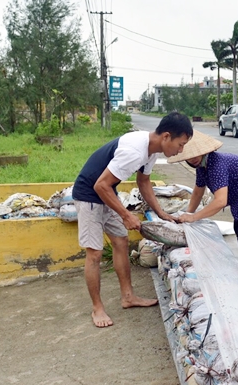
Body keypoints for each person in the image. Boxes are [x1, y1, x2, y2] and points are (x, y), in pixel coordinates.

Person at [73, 112, 193, 327]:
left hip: (107, 193)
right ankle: (97, 309)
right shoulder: (135, 151)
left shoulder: (151, 149)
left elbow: (144, 181)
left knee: (121, 242)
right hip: (89, 194)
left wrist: (162, 213)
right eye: (181, 144)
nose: (181, 150)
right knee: (94, 253)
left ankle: (128, 297)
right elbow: (100, 185)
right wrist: (126, 215)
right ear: (166, 136)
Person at [167, 130, 238, 274]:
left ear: (203, 151)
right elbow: (198, 191)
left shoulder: (215, 165)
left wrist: (194, 217)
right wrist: (187, 213)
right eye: (189, 157)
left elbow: (220, 201)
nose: (193, 159)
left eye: (196, 154)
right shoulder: (202, 167)